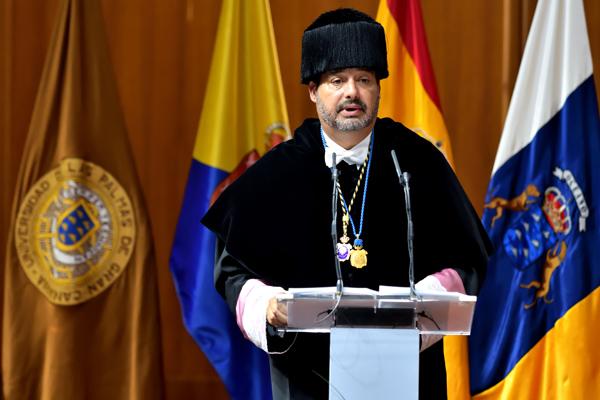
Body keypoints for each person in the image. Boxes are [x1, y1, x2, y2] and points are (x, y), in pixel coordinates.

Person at [202, 8, 491, 400]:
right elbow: (232, 269)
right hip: (306, 380)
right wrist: (268, 305)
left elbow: (467, 256)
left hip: (409, 377)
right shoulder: (277, 172)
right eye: (337, 80)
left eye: (364, 80)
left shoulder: (416, 162)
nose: (351, 92)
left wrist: (426, 297)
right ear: (312, 90)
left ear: (378, 89)